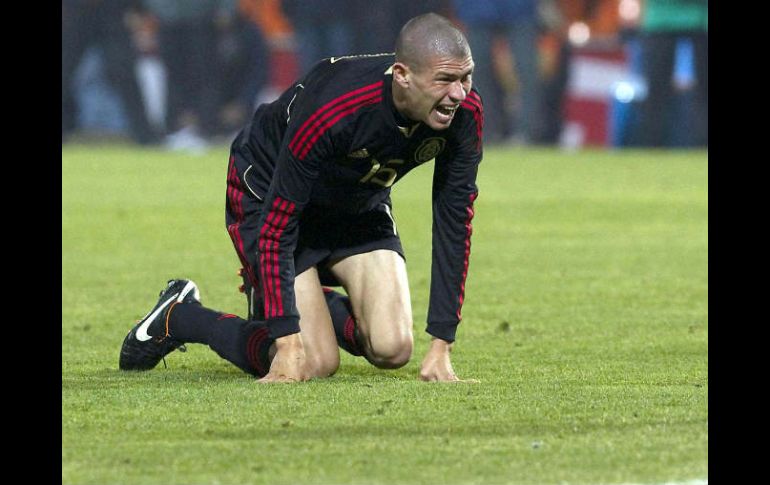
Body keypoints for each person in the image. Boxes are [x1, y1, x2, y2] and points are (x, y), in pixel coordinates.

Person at [119, 12, 483, 383]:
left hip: (355, 202)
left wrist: (441, 346)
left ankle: (297, 300)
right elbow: (278, 225)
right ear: (403, 75)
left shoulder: (465, 113)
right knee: (312, 362)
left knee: (393, 349)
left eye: (466, 77)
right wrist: (289, 342)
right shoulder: (334, 109)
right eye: (445, 80)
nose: (458, 93)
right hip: (270, 190)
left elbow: (454, 222)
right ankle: (180, 315)